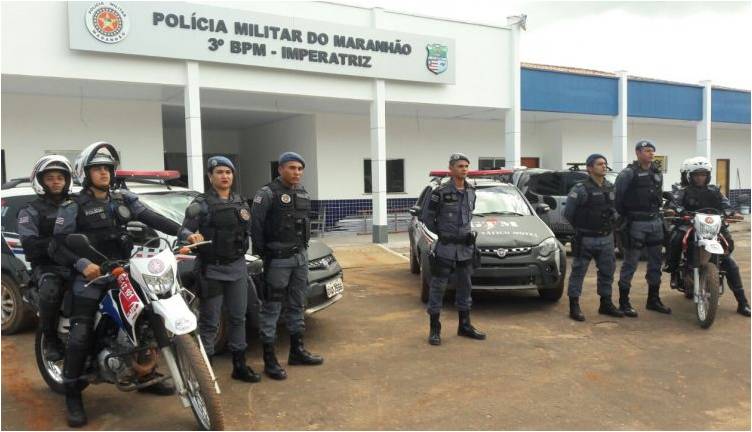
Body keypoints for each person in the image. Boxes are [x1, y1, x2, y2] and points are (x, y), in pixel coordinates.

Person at [51, 142, 187, 427]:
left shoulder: (123, 198)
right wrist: (82, 265)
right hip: (91, 275)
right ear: (85, 173)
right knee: (81, 333)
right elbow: (58, 246)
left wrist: (183, 232)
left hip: (124, 269)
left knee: (148, 316)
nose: (104, 172)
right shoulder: (72, 205)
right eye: (97, 168)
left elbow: (151, 217)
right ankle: (72, 393)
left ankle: (145, 372)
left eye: (107, 168)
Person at [180, 155, 261, 383]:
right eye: (219, 172)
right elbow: (183, 231)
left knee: (238, 318)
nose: (224, 176)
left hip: (237, 268)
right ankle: (206, 373)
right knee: (210, 321)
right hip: (212, 270)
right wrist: (190, 236)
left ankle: (239, 365)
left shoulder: (240, 201)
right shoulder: (201, 204)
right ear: (210, 176)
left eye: (228, 172)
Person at [251, 152, 322, 381]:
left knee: (297, 304)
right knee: (272, 308)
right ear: (280, 169)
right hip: (278, 260)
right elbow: (256, 227)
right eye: (292, 168)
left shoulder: (302, 192)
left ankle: (296, 351)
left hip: (300, 258)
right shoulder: (267, 194)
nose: (297, 172)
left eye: (300, 169)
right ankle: (270, 360)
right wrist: (265, 255)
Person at [664, 157, 750, 316]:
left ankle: (742, 303)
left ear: (708, 176)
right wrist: (673, 210)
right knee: (676, 238)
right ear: (689, 176)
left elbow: (726, 205)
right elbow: (674, 203)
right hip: (689, 223)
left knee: (730, 260)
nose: (700, 178)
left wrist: (732, 213)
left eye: (703, 174)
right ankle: (672, 265)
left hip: (712, 225)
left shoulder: (715, 191)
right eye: (696, 175)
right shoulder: (682, 191)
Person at [420, 153, 485, 346]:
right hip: (446, 248)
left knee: (465, 286)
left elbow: (469, 216)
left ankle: (464, 325)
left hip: (465, 248)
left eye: (466, 166)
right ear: (451, 169)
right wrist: (443, 234)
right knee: (438, 287)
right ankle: (435, 328)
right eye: (460, 166)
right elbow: (427, 218)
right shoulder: (440, 192)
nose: (464, 169)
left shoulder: (471, 190)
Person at [17, 155, 75, 361]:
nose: (56, 182)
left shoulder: (76, 205)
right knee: (51, 290)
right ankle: (50, 340)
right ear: (40, 181)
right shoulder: (30, 210)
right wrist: (57, 243)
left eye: (60, 177)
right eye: (50, 178)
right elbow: (30, 244)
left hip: (77, 264)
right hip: (49, 267)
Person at [614, 139, 672, 317]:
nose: (651, 153)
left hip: (655, 222)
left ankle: (653, 300)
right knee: (630, 263)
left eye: (652, 150)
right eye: (647, 150)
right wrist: (625, 220)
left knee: (656, 263)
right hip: (635, 223)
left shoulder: (656, 172)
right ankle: (624, 302)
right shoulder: (628, 174)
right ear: (638, 153)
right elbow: (617, 199)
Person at [563, 154, 623, 321]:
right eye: (599, 164)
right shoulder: (580, 189)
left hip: (606, 238)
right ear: (589, 168)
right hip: (585, 238)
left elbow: (615, 209)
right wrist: (581, 228)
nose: (604, 166)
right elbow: (568, 214)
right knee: (578, 272)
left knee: (607, 272)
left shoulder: (610, 187)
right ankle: (574, 306)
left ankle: (606, 304)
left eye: (605, 164)